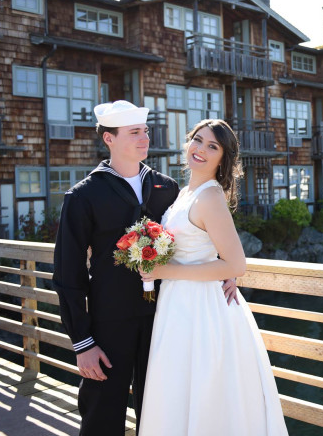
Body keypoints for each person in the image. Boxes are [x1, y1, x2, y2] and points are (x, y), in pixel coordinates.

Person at [53, 101, 237, 435]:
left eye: (145, 131)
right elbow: (68, 274)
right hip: (109, 323)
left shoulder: (167, 188)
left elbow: (198, 233)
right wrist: (82, 342)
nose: (144, 138)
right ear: (109, 138)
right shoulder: (83, 196)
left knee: (160, 413)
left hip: (167, 319)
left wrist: (227, 270)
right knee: (102, 414)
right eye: (134, 132)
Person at [138, 118, 288, 436]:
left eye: (212, 146)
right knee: (178, 390)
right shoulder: (184, 194)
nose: (200, 149)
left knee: (205, 393)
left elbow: (236, 264)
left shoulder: (210, 196)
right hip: (177, 305)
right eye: (197, 139)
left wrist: (166, 271)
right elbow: (210, 251)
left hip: (201, 310)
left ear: (223, 159)